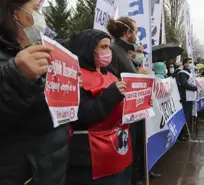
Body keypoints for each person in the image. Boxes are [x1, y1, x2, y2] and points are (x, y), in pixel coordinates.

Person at [0, 1, 71, 184]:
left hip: (50, 168)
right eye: (36, 9)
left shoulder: (34, 50)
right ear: (15, 13)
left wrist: (68, 84)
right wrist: (17, 77)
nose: (41, 16)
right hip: (21, 172)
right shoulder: (15, 60)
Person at [66, 29, 130, 185]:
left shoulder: (111, 74)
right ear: (89, 49)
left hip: (117, 150)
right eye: (103, 47)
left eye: (109, 47)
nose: (108, 52)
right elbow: (80, 116)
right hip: (89, 157)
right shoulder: (75, 76)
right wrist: (111, 96)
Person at [106, 17, 151, 185]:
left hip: (132, 111)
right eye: (136, 31)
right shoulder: (113, 51)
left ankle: (136, 177)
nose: (138, 34)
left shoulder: (126, 52)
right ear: (128, 32)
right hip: (122, 114)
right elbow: (112, 82)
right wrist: (138, 77)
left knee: (135, 150)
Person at [176, 58, 198, 141]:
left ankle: (186, 132)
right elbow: (185, 84)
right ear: (185, 64)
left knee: (188, 115)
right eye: (189, 62)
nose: (191, 64)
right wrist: (194, 87)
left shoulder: (188, 72)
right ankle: (183, 134)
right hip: (185, 97)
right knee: (185, 116)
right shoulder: (182, 73)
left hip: (190, 97)